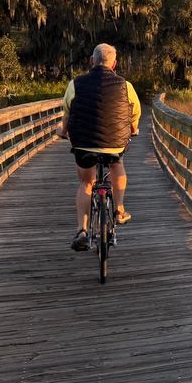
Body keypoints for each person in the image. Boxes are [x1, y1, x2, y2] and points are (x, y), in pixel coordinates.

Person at [58, 43, 141, 251]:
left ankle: (82, 231)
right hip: (114, 143)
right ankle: (119, 209)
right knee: (117, 163)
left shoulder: (75, 84)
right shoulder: (126, 86)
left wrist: (62, 131)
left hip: (84, 143)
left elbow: (67, 113)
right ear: (114, 63)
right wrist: (134, 129)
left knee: (86, 183)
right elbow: (134, 113)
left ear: (92, 61)